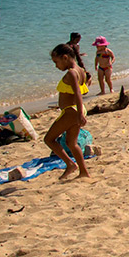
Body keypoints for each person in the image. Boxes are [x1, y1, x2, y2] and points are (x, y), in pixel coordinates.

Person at [46, 43, 90, 181]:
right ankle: (83, 172)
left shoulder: (71, 72)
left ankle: (70, 164)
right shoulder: (80, 70)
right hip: (77, 110)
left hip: (71, 112)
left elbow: (78, 93)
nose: (56, 66)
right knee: (72, 143)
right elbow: (84, 87)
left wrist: (79, 115)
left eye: (56, 62)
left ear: (65, 58)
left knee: (48, 139)